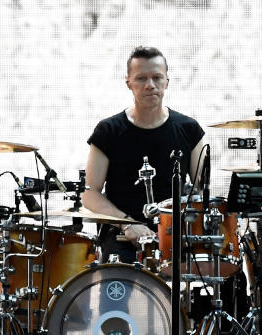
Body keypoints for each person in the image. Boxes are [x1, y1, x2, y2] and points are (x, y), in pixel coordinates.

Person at [83, 46, 207, 264]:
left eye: (157, 78)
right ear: (128, 82)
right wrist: (128, 224)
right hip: (122, 239)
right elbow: (90, 193)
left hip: (177, 239)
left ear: (167, 81)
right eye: (141, 78)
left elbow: (201, 191)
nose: (150, 85)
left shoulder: (189, 129)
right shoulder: (108, 131)